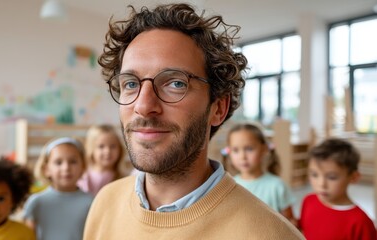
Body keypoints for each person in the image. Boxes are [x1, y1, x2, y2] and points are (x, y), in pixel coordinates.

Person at [83, 3, 304, 239]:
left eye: (175, 83)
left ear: (218, 107)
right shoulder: (104, 203)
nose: (143, 106)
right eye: (131, 84)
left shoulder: (272, 235)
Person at [299, 138, 376, 240]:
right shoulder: (308, 201)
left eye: (332, 177)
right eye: (314, 175)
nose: (321, 184)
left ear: (354, 177)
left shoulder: (361, 222)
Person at [23, 137, 93, 240]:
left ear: (83, 167)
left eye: (73, 161)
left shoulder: (92, 202)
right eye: (58, 162)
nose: (66, 168)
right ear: (46, 169)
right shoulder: (36, 202)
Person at [227, 123, 297, 225]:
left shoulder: (277, 186)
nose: (242, 156)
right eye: (236, 150)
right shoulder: (229, 186)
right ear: (229, 152)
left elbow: (290, 224)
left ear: (264, 149)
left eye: (249, 149)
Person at [77, 124, 125, 196]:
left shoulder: (122, 178)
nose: (107, 151)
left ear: (120, 149)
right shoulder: (83, 176)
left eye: (113, 146)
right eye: (101, 146)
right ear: (91, 149)